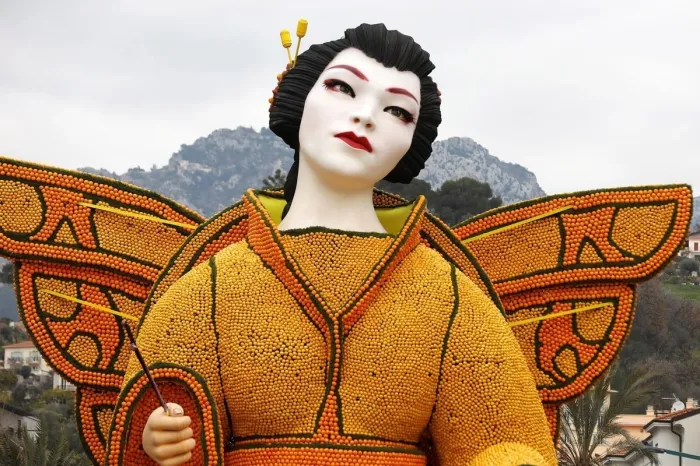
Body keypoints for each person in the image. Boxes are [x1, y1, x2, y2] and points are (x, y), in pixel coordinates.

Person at [127, 23, 557, 465]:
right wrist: (155, 440)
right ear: (298, 97)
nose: (366, 116)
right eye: (342, 88)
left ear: (411, 142)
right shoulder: (211, 292)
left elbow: (503, 437)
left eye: (397, 111)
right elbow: (164, 401)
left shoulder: (448, 299)